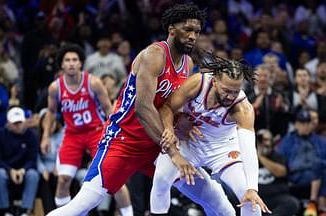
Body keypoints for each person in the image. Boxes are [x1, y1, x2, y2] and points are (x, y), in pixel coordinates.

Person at [47, 4, 207, 216]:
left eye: (196, 31)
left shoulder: (187, 63)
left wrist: (181, 119)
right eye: (187, 29)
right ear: (171, 29)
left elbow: (169, 105)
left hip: (155, 143)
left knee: (204, 188)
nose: (193, 36)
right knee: (85, 202)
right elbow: (143, 108)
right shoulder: (154, 55)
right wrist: (174, 152)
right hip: (125, 139)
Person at [150, 54, 271, 215]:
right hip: (188, 143)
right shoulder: (198, 83)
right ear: (214, 81)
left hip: (222, 148)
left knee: (248, 198)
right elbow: (167, 108)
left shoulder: (243, 109)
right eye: (226, 90)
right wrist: (171, 128)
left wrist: (252, 188)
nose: (230, 96)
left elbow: (249, 149)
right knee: (161, 178)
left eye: (235, 91)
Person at [41, 43, 133, 215]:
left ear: (81, 63)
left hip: (96, 132)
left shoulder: (94, 83)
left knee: (115, 180)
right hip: (72, 135)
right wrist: (45, 136)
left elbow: (109, 110)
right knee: (63, 180)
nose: (71, 63)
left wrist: (117, 134)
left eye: (74, 60)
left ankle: (129, 214)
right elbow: (51, 113)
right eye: (67, 60)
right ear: (61, 64)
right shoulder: (55, 87)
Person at [278, 108, 326, 216]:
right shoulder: (287, 141)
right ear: (296, 124)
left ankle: (317, 207)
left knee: (321, 168)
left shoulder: (320, 141)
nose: (306, 126)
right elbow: (280, 162)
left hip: (316, 178)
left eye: (308, 122)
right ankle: (317, 207)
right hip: (294, 178)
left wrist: (319, 163)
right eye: (302, 123)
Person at [0, 107, 40, 216]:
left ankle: (25, 210)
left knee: (33, 175)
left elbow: (32, 159)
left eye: (20, 122)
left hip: (24, 170)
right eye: (15, 123)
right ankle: (6, 210)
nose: (19, 125)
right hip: (6, 169)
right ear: (8, 123)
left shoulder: (31, 136)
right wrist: (11, 171)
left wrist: (22, 171)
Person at [256, 129, 299, 216]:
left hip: (276, 198)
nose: (265, 143)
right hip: (256, 199)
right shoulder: (248, 157)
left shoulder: (277, 156)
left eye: (268, 140)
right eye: (261, 140)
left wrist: (260, 156)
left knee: (292, 203)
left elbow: (281, 172)